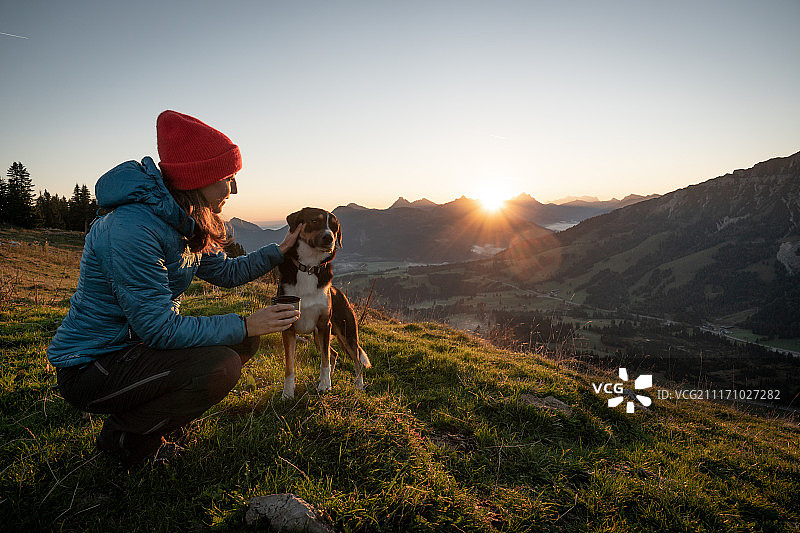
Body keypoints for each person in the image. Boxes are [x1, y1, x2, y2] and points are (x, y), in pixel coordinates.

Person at [47, 110, 302, 465]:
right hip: (93, 366)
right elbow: (158, 328)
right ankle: (124, 438)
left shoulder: (185, 217)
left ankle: (159, 415)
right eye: (227, 177)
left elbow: (225, 273)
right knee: (222, 362)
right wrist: (244, 322)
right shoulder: (132, 229)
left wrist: (279, 251)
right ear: (198, 175)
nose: (234, 188)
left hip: (132, 349)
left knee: (242, 341)